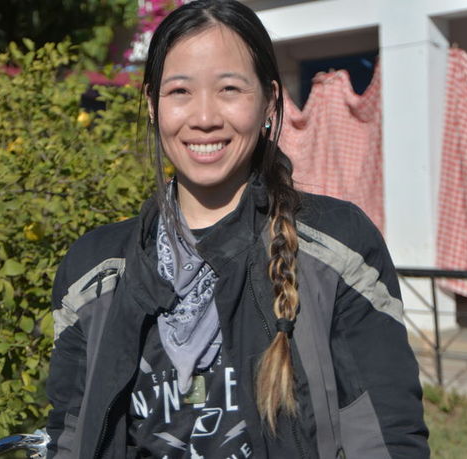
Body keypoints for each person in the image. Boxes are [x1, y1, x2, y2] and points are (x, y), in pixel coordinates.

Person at [45, 1, 429, 458]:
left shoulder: (336, 248)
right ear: (151, 104)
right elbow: (69, 436)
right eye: (180, 91)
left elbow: (385, 438)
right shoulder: (94, 271)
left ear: (269, 101)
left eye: (229, 88)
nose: (204, 117)